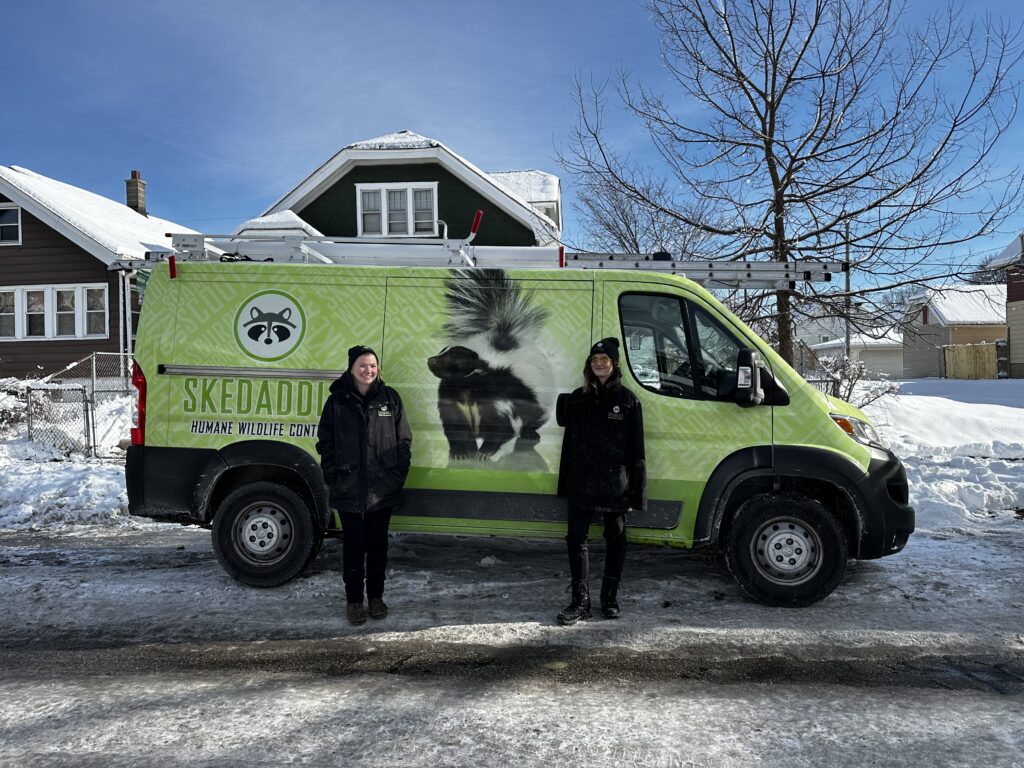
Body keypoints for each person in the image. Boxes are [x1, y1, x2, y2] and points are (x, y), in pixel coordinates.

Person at [316, 345, 412, 626]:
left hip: (382, 490)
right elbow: (326, 441)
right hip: (348, 488)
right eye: (362, 365)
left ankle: (376, 598)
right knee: (354, 548)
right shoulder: (337, 401)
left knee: (379, 547)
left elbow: (403, 440)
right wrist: (333, 475)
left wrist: (396, 475)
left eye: (372, 365)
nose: (368, 370)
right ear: (351, 368)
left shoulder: (389, 398)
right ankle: (355, 601)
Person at [556, 337, 646, 625]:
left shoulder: (628, 401)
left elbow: (637, 452)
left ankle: (610, 598)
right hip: (581, 481)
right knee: (576, 539)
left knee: (616, 539)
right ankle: (580, 602)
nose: (598, 364)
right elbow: (567, 446)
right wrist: (564, 484)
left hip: (614, 485)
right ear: (589, 365)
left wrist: (636, 492)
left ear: (614, 363)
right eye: (594, 360)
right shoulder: (577, 399)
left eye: (604, 359)